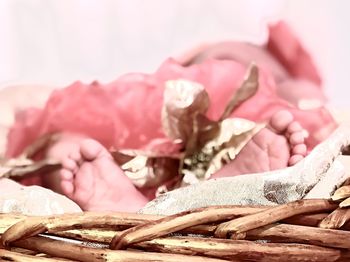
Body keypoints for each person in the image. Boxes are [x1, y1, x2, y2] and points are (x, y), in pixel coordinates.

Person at [4, 22, 337, 212]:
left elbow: (311, 103)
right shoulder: (157, 91)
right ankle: (198, 194)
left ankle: (197, 194)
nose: (220, 68)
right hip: (168, 133)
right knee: (66, 141)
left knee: (67, 143)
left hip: (206, 137)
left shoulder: (277, 92)